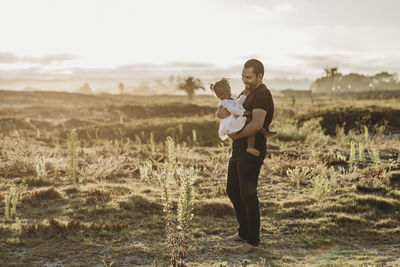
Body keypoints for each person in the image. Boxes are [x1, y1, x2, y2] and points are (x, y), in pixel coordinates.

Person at [216, 59, 274, 253]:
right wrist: (221, 113)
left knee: (248, 194)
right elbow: (233, 111)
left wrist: (235, 135)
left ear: (260, 76)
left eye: (248, 77)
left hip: (252, 150)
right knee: (232, 189)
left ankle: (253, 241)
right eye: (242, 76)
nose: (245, 80)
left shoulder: (263, 95)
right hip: (238, 148)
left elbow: (257, 124)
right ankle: (243, 231)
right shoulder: (245, 92)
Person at [210, 78, 276, 157]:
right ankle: (253, 144)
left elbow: (238, 103)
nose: (230, 92)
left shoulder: (262, 93)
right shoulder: (226, 102)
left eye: (229, 90)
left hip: (233, 124)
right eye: (227, 91)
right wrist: (244, 113)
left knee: (251, 124)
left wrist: (243, 97)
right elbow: (233, 109)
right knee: (249, 121)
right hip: (232, 124)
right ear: (221, 95)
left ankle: (253, 144)